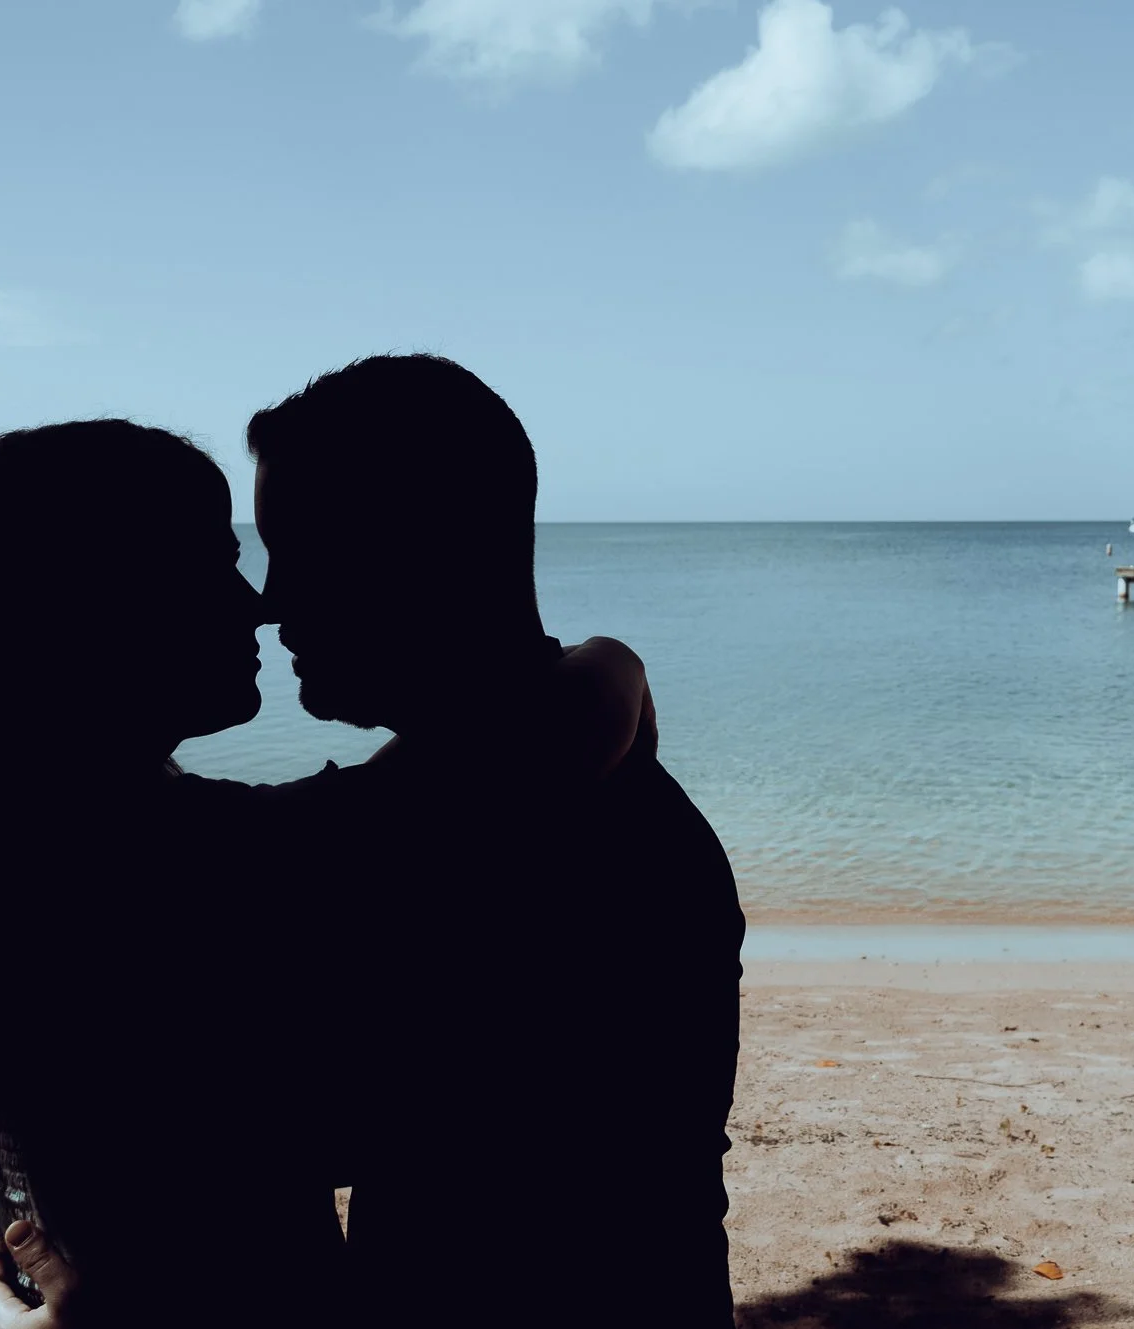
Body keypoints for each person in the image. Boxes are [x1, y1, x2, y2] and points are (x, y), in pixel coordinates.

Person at [0, 419, 652, 1328]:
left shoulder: (7, 838)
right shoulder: (182, 859)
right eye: (217, 564)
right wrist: (615, 655)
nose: (257, 603)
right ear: (102, 607)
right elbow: (554, 729)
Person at [247, 354, 744, 1328]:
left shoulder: (462, 834)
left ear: (420, 554)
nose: (269, 600)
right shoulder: (579, 782)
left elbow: (307, 1126)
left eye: (297, 550)